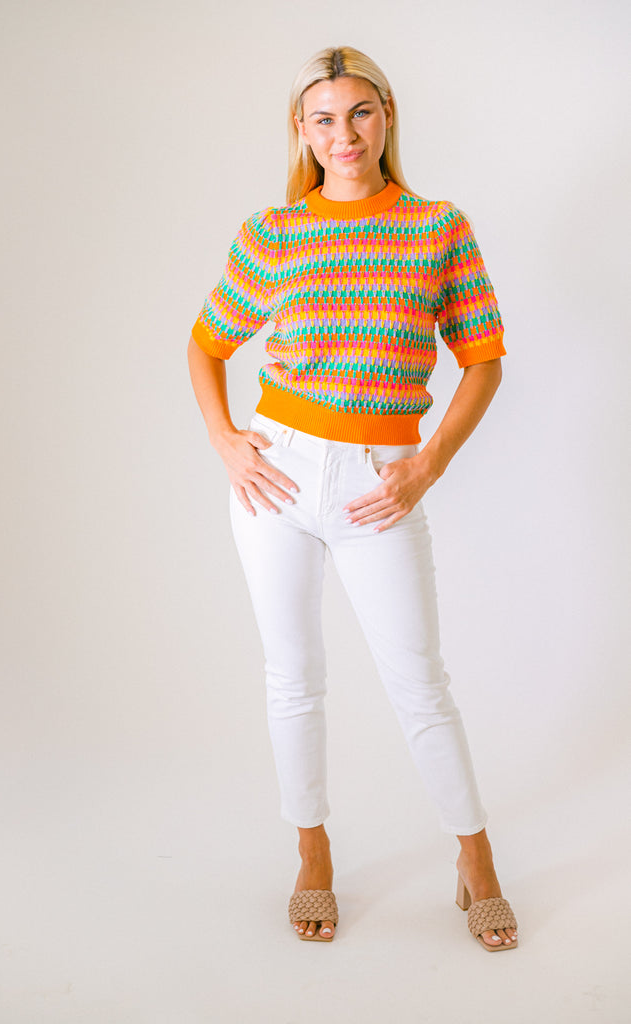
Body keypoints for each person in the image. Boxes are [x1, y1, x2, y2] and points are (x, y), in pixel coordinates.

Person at [187, 44, 518, 952]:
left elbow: (483, 359)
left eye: (360, 113)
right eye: (324, 118)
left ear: (386, 116)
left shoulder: (436, 227)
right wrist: (225, 439)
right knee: (291, 677)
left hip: (380, 483)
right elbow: (207, 340)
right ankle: (313, 853)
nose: (344, 134)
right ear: (301, 130)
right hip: (278, 477)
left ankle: (476, 859)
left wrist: (428, 464)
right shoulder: (274, 231)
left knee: (419, 683)